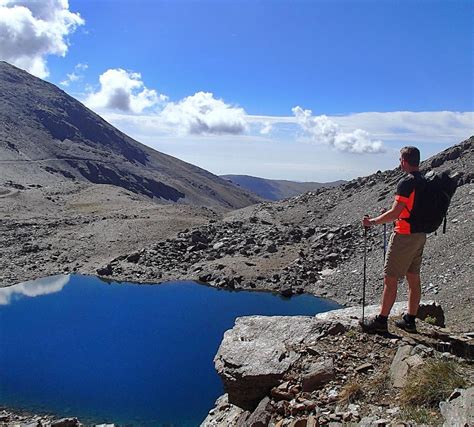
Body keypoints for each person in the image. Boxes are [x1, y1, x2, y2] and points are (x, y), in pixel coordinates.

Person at [361, 146, 426, 333]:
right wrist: (393, 215)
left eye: (400, 160)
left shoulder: (406, 183)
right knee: (413, 278)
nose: (399, 163)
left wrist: (372, 221)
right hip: (420, 235)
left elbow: (396, 212)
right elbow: (410, 211)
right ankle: (410, 320)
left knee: (390, 279)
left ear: (405, 161)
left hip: (404, 236)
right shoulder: (425, 181)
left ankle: (381, 321)